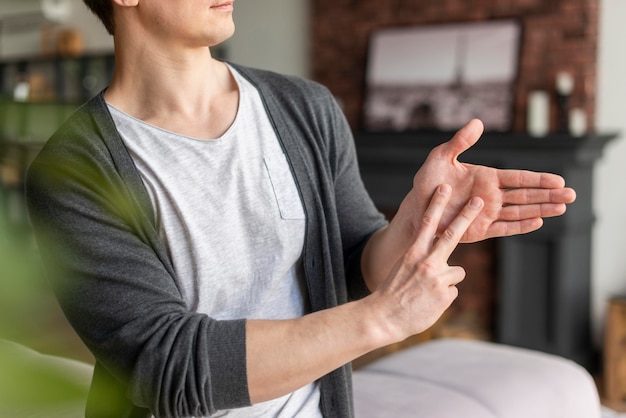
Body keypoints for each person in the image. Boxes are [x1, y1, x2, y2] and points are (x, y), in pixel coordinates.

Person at [25, 1, 576, 417]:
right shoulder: (74, 169)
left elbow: (356, 263)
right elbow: (167, 366)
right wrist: (384, 318)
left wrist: (417, 219)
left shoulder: (303, 108)